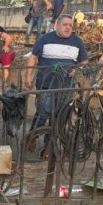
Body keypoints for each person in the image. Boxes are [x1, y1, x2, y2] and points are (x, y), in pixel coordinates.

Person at [25, 14, 88, 147]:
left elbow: (84, 61)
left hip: (65, 86)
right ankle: (33, 136)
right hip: (46, 84)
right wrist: (28, 77)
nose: (68, 28)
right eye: (65, 25)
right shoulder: (45, 39)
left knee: (59, 116)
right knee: (43, 112)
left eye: (70, 25)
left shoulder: (77, 41)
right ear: (57, 25)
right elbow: (33, 57)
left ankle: (49, 145)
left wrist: (76, 69)